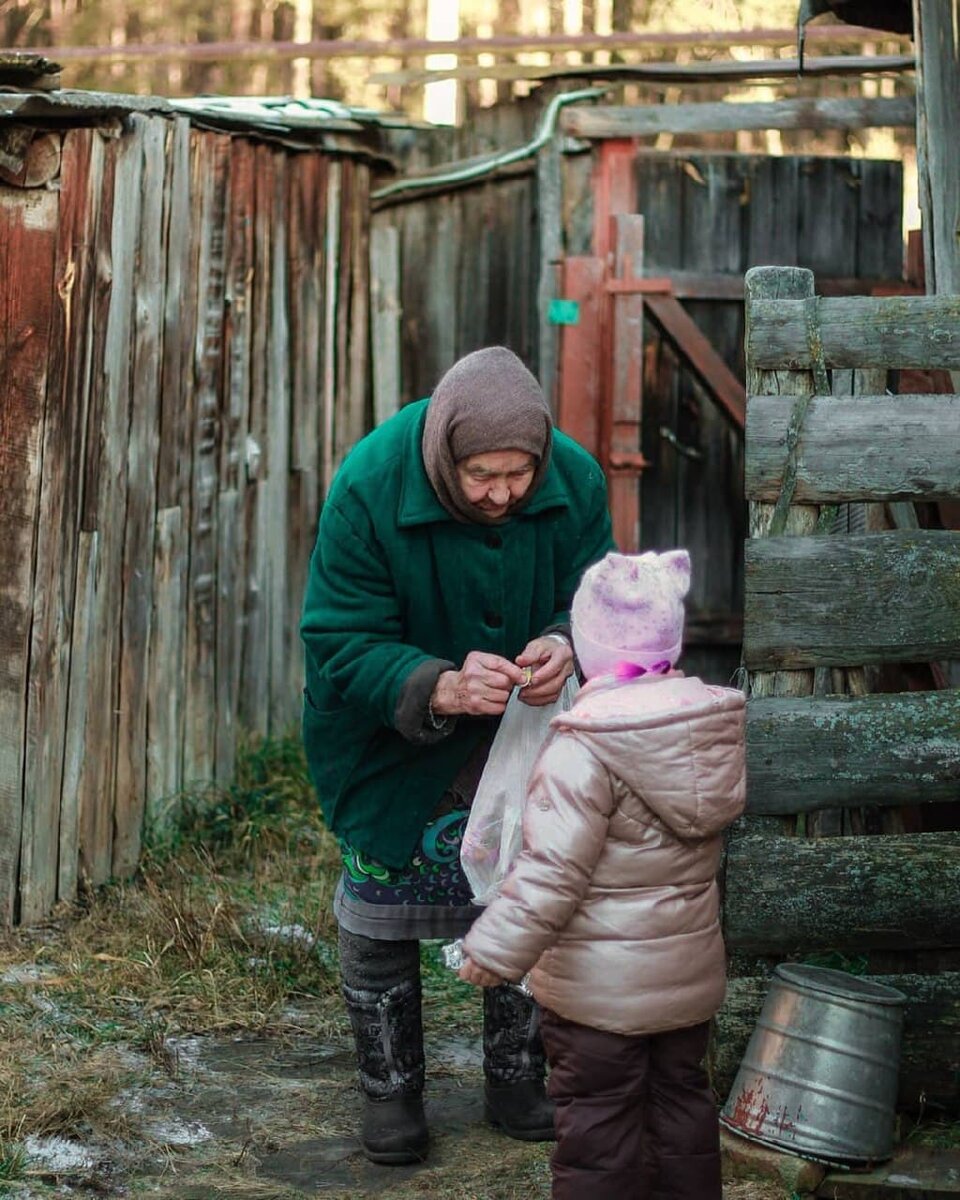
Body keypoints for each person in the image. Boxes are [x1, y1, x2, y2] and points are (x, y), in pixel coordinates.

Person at [299, 346, 614, 1165]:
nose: (504, 494)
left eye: (520, 474)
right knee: (380, 907)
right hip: (389, 741)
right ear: (444, 453)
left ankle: (515, 1079)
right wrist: (434, 685)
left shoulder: (574, 481)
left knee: (528, 885)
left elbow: (593, 598)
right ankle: (392, 1095)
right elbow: (337, 633)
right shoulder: (369, 484)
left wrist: (561, 644)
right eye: (483, 475)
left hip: (522, 738)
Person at [458, 549, 747, 1200]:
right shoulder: (705, 732)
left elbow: (549, 877)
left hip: (597, 999)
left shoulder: (583, 749)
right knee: (684, 1116)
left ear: (588, 651)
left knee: (599, 1133)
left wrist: (492, 950)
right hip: (685, 988)